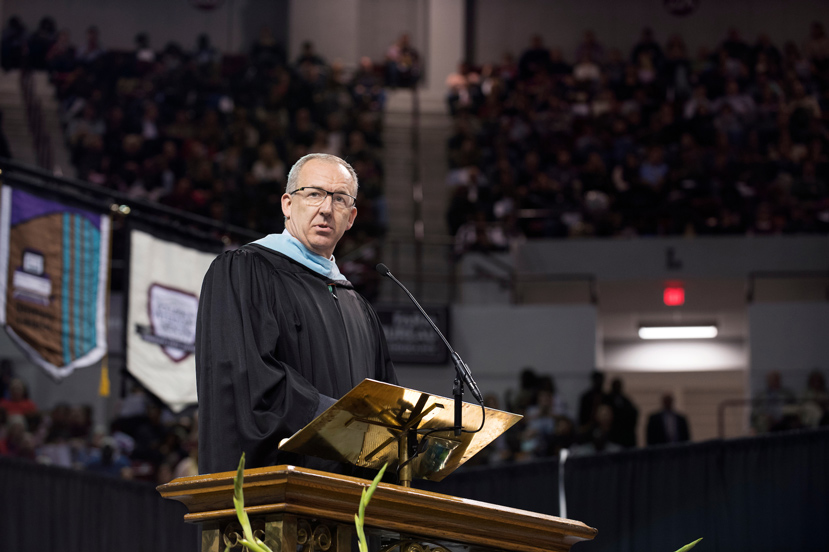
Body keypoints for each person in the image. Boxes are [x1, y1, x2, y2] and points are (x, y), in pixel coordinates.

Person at [196, 153, 397, 474]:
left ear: (352, 217)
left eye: (340, 199)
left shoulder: (359, 307)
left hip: (351, 504)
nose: (327, 209)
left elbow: (382, 407)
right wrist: (343, 423)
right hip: (277, 493)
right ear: (288, 204)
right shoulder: (244, 271)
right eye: (314, 194)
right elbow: (246, 377)